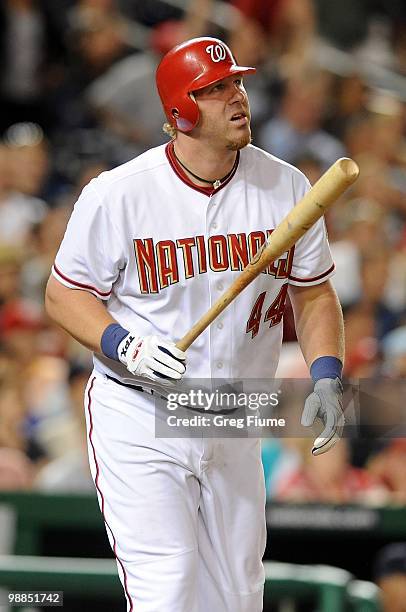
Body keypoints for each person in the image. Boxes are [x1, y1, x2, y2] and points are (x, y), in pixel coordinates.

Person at [45, 37, 345, 612]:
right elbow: (63, 294)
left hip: (234, 410)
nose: (238, 97)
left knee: (237, 596)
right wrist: (122, 343)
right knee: (169, 586)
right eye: (215, 89)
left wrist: (327, 373)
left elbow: (313, 292)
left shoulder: (285, 186)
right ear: (179, 112)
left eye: (237, 83)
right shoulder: (119, 194)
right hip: (141, 407)